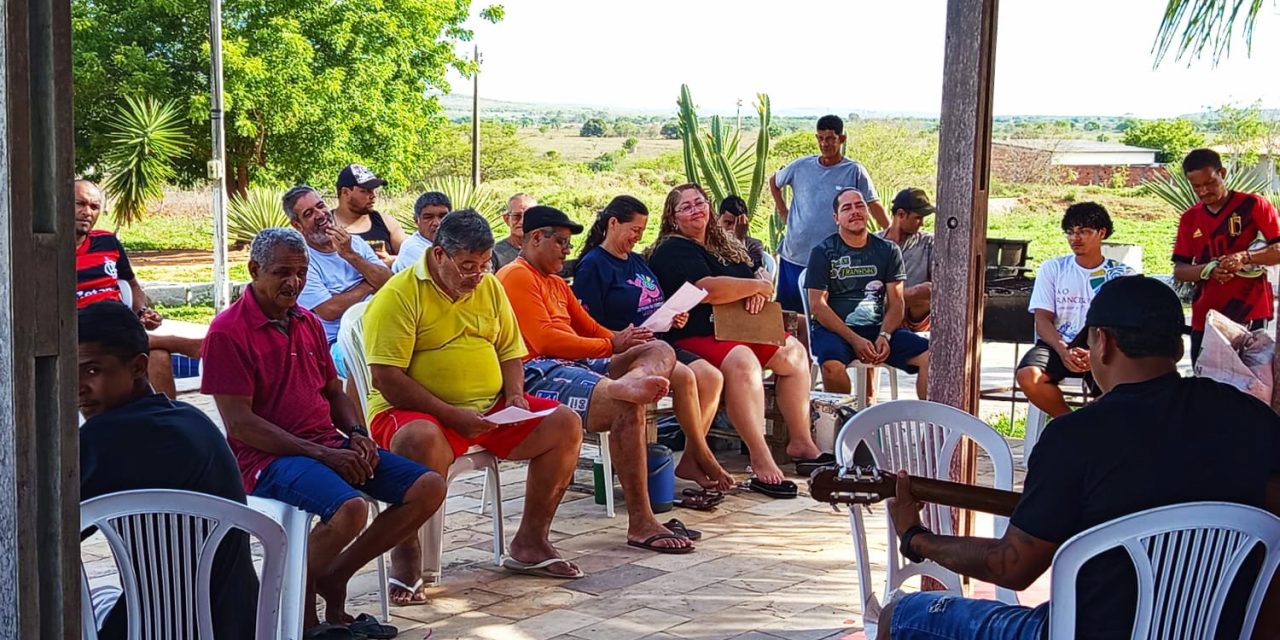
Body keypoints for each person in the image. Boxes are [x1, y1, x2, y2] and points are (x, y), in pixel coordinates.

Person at [877, 275, 1280, 640]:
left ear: (1102, 341)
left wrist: (916, 537)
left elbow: (1012, 567)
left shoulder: (1074, 437)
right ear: (1177, 346)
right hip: (1221, 629)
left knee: (899, 615)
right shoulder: (1251, 417)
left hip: (1087, 631)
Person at [202, 228, 443, 640]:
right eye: (282, 272)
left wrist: (355, 432)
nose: (293, 283)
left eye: (300, 272)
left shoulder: (307, 322)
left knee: (428, 487)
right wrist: (322, 454)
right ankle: (286, 602)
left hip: (324, 444)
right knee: (350, 509)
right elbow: (240, 423)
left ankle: (334, 575)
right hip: (265, 458)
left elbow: (334, 391)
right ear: (255, 270)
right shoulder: (228, 331)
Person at [363, 209, 586, 602]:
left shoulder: (489, 286)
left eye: (483, 265)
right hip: (417, 411)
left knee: (565, 423)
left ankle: (530, 542)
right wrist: (451, 415)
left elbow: (510, 351)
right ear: (438, 255)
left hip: (488, 408)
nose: (476, 276)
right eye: (467, 266)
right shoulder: (398, 295)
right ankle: (407, 554)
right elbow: (387, 378)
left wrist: (515, 395)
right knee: (418, 438)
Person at [497, 205, 694, 554]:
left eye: (568, 243)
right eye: (560, 241)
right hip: (539, 370)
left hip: (580, 362)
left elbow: (592, 329)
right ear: (536, 238)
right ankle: (641, 521)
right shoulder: (516, 276)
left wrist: (628, 340)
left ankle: (633, 381)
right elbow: (544, 340)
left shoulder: (556, 282)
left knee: (660, 350)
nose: (566, 250)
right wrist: (610, 344)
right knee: (626, 403)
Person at [79, 301, 258, 640]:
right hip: (237, 623)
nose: (77, 388)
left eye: (92, 371)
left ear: (138, 367)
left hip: (154, 627)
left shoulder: (105, 437)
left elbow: (42, 532)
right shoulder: (190, 418)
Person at [648, 184, 831, 485]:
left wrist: (758, 289)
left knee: (794, 353)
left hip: (740, 328)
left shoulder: (725, 246)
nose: (696, 210)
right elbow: (708, 289)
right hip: (697, 334)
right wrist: (753, 288)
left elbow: (755, 278)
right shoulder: (673, 249)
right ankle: (760, 455)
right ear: (672, 217)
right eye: (686, 207)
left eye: (700, 202)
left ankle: (801, 441)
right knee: (745, 363)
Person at [573, 195, 735, 491]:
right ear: (613, 224)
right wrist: (621, 337)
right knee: (685, 377)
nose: (637, 237)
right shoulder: (594, 266)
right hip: (625, 351)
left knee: (711, 376)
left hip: (658, 339)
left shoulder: (636, 261)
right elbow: (587, 325)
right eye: (633, 230)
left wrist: (674, 317)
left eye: (641, 231)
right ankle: (703, 453)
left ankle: (690, 456)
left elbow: (654, 302)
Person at [73, 179, 202, 399]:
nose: (87, 212)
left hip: (119, 322)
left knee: (158, 355)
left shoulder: (107, 242)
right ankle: (186, 344)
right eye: (80, 204)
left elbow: (131, 284)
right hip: (79, 327)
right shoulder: (47, 247)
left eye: (94, 207)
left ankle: (165, 421)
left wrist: (142, 311)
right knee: (150, 343)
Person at [806, 188, 931, 398]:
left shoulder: (888, 250)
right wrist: (854, 339)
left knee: (932, 357)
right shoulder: (823, 252)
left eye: (860, 205)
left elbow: (897, 302)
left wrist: (885, 334)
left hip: (877, 329)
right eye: (847, 208)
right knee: (831, 367)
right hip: (835, 331)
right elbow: (817, 306)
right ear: (836, 218)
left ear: (867, 211)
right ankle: (845, 420)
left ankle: (933, 425)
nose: (855, 211)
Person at [1016, 202, 1133, 418]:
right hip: (1057, 343)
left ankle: (1099, 426)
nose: (1075, 238)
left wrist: (1095, 353)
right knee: (1027, 376)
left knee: (1124, 391)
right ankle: (1069, 423)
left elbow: (1125, 324)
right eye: (1070, 232)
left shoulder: (1121, 274)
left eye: (1084, 232)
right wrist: (1063, 350)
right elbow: (1042, 319)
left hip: (1105, 347)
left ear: (1101, 233)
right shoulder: (1053, 268)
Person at [768, 115, 888, 313]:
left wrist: (891, 233)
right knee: (788, 316)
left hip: (832, 261)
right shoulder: (800, 166)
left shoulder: (854, 171)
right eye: (821, 138)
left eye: (830, 138)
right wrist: (783, 211)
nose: (825, 144)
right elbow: (774, 181)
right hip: (794, 255)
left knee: (824, 315)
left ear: (842, 139)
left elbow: (872, 204)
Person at [1172, 148, 1280, 364]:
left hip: (1250, 315)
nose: (1204, 191)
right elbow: (1180, 270)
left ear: (1222, 172)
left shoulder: (1253, 205)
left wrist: (1245, 257)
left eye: (1210, 183)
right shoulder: (1190, 218)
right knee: (1207, 390)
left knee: (1252, 388)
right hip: (1207, 320)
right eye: (1196, 187)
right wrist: (1208, 270)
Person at [285, 184, 391, 381]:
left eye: (321, 206)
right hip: (336, 344)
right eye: (309, 213)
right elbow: (329, 309)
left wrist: (350, 255)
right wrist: (369, 283)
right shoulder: (302, 261)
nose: (320, 215)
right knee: (373, 364)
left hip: (380, 329)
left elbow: (388, 281)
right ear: (297, 225)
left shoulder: (354, 243)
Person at [877, 188, 935, 332]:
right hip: (878, 313)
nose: (921, 223)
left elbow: (939, 286)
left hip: (912, 317)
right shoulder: (873, 243)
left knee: (926, 290)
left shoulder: (927, 243)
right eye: (918, 217)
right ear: (901, 214)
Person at [333, 164, 408, 267]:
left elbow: (411, 255)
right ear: (345, 192)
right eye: (365, 190)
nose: (373, 195)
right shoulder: (326, 225)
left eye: (373, 190)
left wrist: (393, 260)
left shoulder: (386, 222)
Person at [392, 191, 450, 274]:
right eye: (428, 217)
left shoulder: (453, 242)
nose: (437, 223)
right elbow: (445, 277)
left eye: (443, 216)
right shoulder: (412, 248)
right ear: (416, 220)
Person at [717, 195, 767, 272]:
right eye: (728, 223)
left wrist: (739, 240)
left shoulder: (753, 245)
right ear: (718, 220)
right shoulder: (711, 244)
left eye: (738, 225)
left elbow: (751, 272)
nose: (733, 229)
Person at [491, 193, 536, 271]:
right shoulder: (494, 254)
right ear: (507, 219)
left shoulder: (545, 252)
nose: (522, 222)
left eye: (528, 217)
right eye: (517, 216)